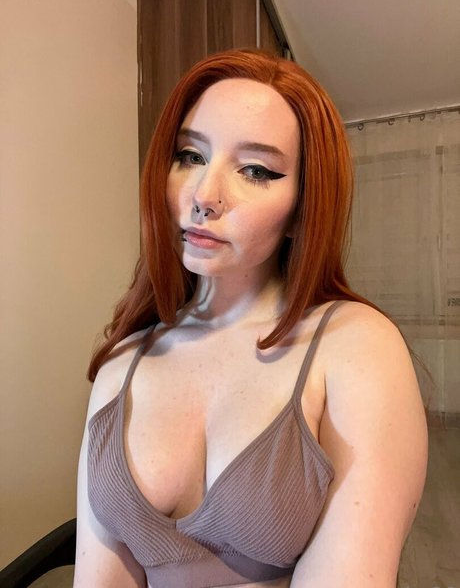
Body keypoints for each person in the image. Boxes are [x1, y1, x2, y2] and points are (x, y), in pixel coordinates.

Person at [73, 49, 428, 588]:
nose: (203, 196)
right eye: (190, 156)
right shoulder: (123, 362)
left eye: (256, 170)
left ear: (303, 207)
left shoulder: (354, 345)